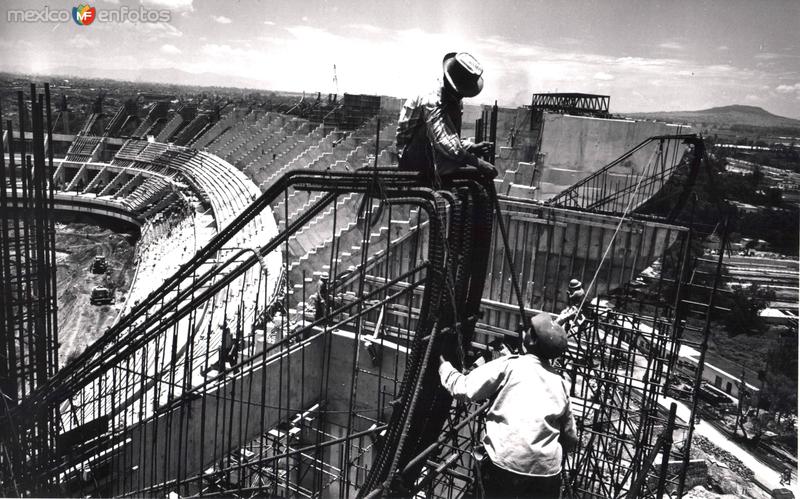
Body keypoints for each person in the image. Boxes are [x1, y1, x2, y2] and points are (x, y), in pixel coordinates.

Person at [439, 314, 578, 498]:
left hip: (505, 467)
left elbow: (464, 389)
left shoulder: (511, 366)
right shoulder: (560, 383)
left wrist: (444, 367)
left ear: (533, 340)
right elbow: (570, 438)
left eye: (529, 330)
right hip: (546, 475)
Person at [396, 52, 497, 185]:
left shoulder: (453, 100)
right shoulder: (431, 99)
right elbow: (442, 140)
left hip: (432, 153)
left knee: (461, 164)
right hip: (412, 158)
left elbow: (451, 136)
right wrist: (477, 162)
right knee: (461, 165)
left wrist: (471, 147)